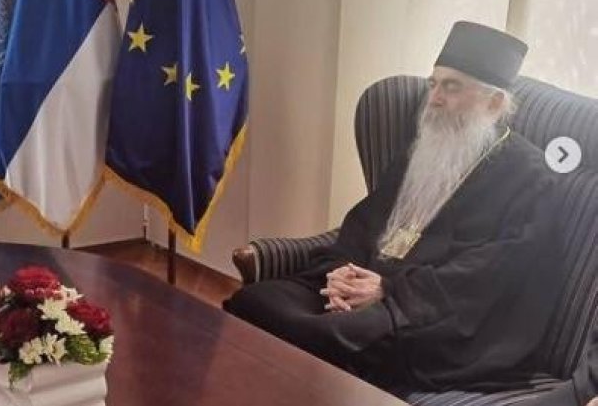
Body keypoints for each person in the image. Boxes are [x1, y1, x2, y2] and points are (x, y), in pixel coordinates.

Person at [224, 21, 562, 393]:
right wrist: (341, 274)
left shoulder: (531, 177)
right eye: (433, 84)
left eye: (451, 87)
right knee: (255, 301)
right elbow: (365, 222)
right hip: (371, 286)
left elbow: (491, 274)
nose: (434, 99)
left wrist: (389, 290)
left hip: (433, 316)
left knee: (327, 336)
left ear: (494, 103)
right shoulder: (427, 147)